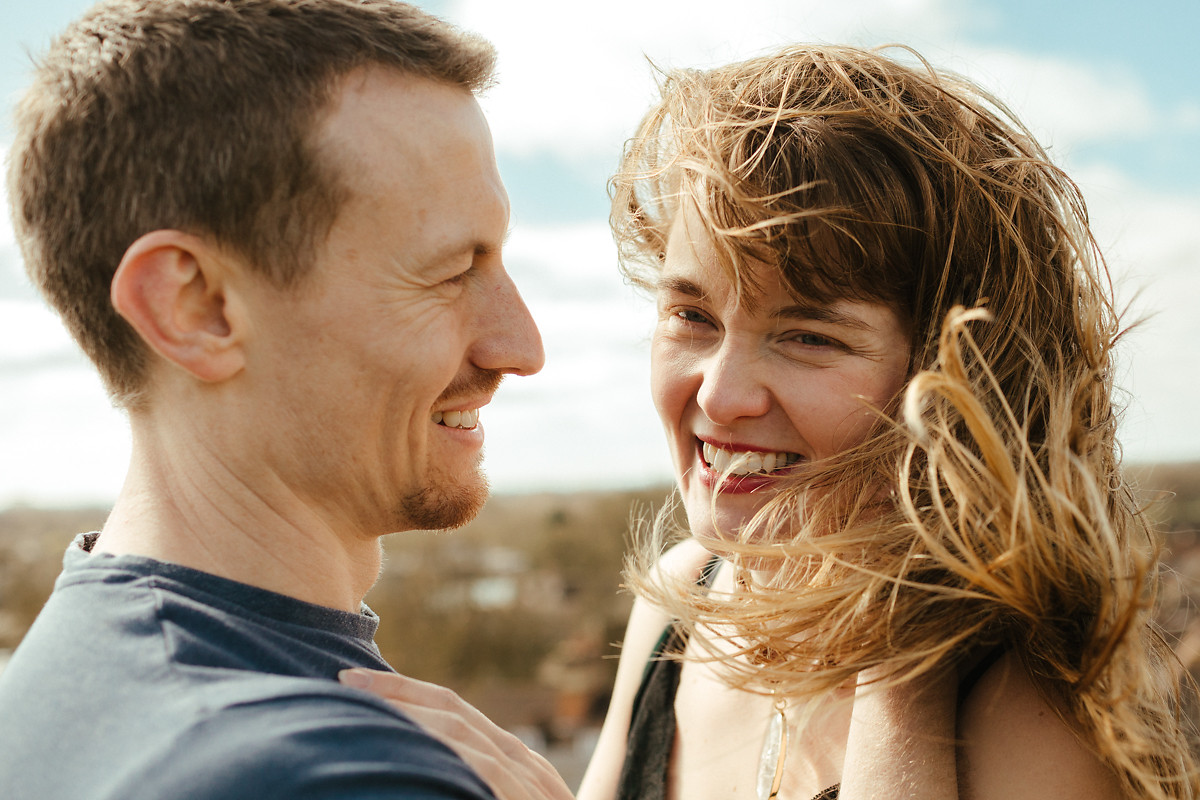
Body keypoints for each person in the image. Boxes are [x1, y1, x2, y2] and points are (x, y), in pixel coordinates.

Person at [352, 44, 1197, 797]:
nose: (720, 397)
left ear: (960, 377)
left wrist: (900, 678)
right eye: (692, 317)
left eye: (807, 335)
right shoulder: (685, 603)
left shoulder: (1027, 707)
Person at [0, 1, 572, 799]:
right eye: (449, 272)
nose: (520, 346)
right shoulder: (325, 773)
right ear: (194, 308)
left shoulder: (64, 674)